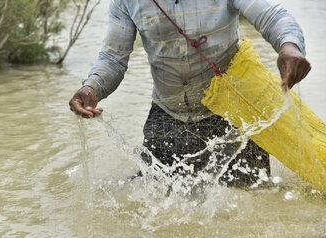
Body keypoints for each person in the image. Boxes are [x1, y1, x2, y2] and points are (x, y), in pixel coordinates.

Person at [69, 0, 311, 187]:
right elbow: (113, 59)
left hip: (234, 116)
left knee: (255, 203)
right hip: (167, 118)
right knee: (156, 208)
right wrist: (91, 88)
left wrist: (289, 46)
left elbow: (273, 17)